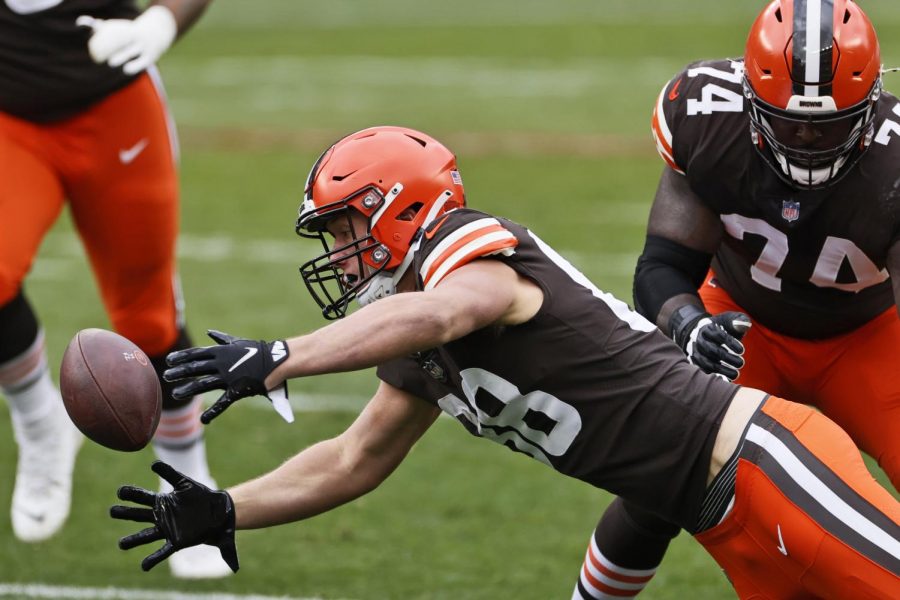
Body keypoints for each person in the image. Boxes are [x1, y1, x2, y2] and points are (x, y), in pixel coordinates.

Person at [109, 126, 900, 598]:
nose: (340, 256)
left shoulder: (471, 250)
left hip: (765, 466)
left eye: (346, 229)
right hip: (717, 520)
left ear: (399, 209)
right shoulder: (416, 344)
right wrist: (225, 509)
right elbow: (353, 459)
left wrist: (283, 357)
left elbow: (451, 309)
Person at [571, 1, 900, 598]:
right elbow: (665, 264)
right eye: (788, 120)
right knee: (660, 482)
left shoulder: (894, 159)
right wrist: (689, 323)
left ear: (871, 104)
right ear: (748, 97)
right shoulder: (704, 117)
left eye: (827, 124)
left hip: (867, 336)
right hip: (739, 322)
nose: (805, 139)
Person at [0, 0, 231, 578]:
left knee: (147, 315)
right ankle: (39, 426)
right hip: (8, 117)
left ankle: (189, 478)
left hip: (114, 104)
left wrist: (160, 22)